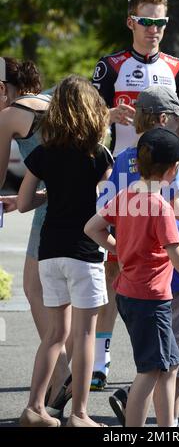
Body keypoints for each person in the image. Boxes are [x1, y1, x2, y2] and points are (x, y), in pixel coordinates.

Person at [90, 0, 179, 390]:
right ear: (131, 22)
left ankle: (163, 358)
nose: (154, 29)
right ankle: (100, 358)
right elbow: (85, 124)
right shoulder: (110, 66)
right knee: (116, 267)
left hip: (165, 175)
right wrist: (110, 114)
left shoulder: (177, 67)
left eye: (161, 22)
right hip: (120, 174)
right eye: (146, 21)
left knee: (165, 259)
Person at [84, 127, 179, 427]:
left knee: (170, 366)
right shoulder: (161, 207)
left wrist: (121, 249)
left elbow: (92, 228)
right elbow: (178, 258)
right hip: (149, 299)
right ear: (174, 168)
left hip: (131, 294)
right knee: (149, 372)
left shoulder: (127, 195)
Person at [98, 86, 179, 426]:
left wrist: (122, 250)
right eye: (175, 119)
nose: (178, 125)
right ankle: (161, 418)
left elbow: (105, 215)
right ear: (163, 118)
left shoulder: (123, 161)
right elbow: (171, 204)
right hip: (172, 275)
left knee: (163, 357)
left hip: (134, 276)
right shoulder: (165, 157)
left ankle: (155, 416)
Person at [17, 75, 113, 427]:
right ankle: (80, 414)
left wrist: (51, 195)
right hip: (84, 252)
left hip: (49, 250)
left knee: (55, 334)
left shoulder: (43, 153)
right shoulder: (99, 154)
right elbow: (108, 204)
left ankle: (34, 407)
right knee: (84, 335)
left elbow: (26, 202)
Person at [0, 56, 71, 408]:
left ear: (3, 88)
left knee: (33, 289)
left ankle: (61, 373)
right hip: (79, 207)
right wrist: (30, 196)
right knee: (65, 298)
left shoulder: (11, 113)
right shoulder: (53, 103)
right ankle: (70, 382)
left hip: (49, 216)